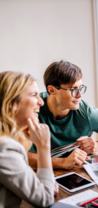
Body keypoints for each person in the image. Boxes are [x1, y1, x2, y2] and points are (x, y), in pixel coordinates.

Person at [28, 60, 98, 170]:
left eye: (80, 88)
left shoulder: (87, 114)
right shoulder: (33, 109)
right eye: (73, 89)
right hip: (38, 173)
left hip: (77, 173)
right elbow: (19, 155)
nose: (79, 95)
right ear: (52, 90)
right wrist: (62, 162)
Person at [0, 71, 57, 207]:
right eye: (34, 95)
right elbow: (45, 198)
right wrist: (43, 147)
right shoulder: (5, 149)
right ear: (10, 103)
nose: (41, 102)